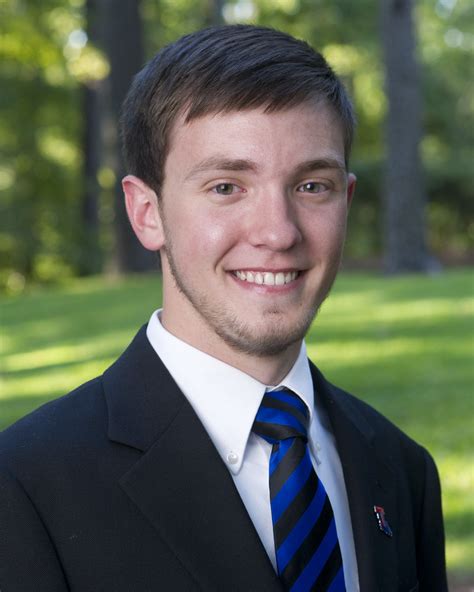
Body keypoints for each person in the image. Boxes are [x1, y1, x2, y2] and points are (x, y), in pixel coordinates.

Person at [0, 25, 447, 592]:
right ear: (147, 213)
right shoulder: (25, 486)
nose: (278, 232)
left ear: (346, 201)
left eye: (312, 186)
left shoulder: (401, 471)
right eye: (226, 187)